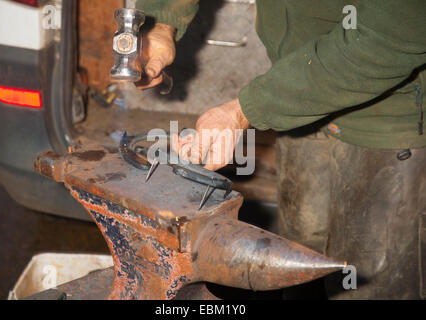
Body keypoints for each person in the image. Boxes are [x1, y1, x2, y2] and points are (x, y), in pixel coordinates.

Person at [134, 0, 426, 299]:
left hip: (391, 116)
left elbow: (389, 36)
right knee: (297, 261)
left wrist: (244, 111)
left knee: (369, 282)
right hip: (299, 95)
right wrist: (162, 22)